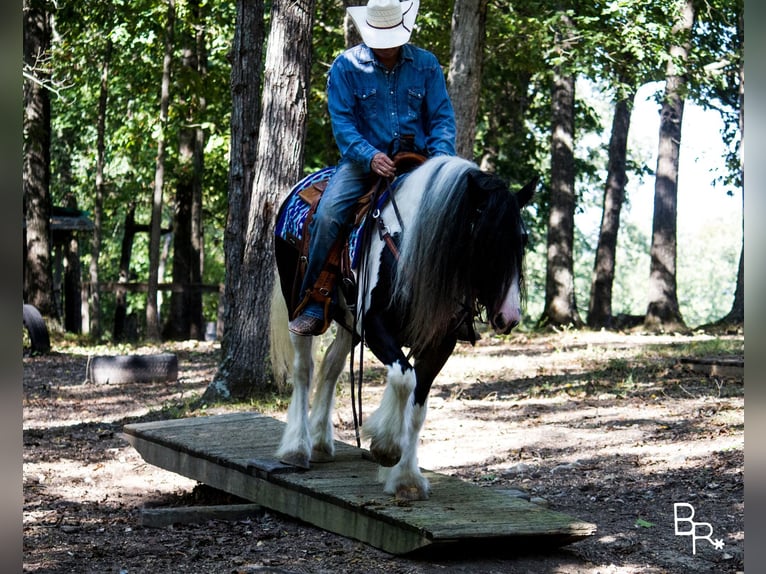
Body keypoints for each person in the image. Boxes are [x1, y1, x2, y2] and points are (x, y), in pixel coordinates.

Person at [288, 0, 457, 336]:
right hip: (363, 164)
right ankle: (315, 299)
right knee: (327, 215)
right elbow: (344, 124)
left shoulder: (426, 65)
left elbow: (441, 119)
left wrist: (440, 163)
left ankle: (456, 306)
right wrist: (369, 156)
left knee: (458, 213)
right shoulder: (346, 67)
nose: (386, 45)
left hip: (418, 162)